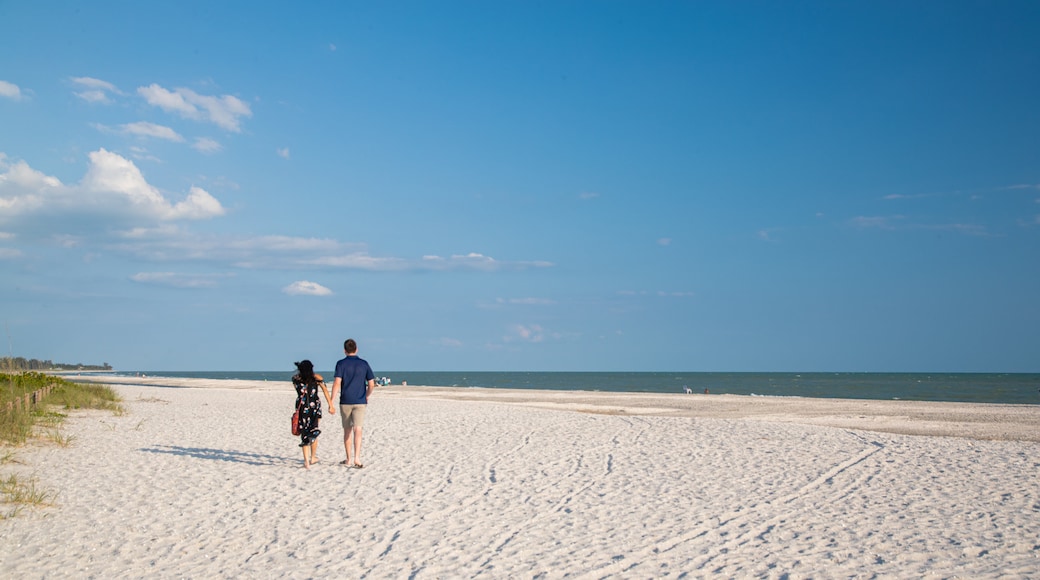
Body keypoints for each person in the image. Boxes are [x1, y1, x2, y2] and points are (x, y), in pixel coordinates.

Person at [330, 338, 375, 468]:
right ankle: (357, 458)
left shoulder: (341, 364)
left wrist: (331, 401)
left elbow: (337, 383)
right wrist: (367, 395)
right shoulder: (364, 364)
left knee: (347, 430)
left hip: (345, 400)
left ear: (345, 350)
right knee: (358, 429)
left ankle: (348, 458)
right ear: (356, 349)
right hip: (360, 401)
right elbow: (371, 384)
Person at [292, 360, 333, 469]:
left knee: (304, 433)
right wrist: (330, 405)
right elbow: (325, 390)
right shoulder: (317, 378)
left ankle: (306, 461)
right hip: (314, 407)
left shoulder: (295, 379)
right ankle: (313, 457)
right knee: (313, 431)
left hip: (302, 408)